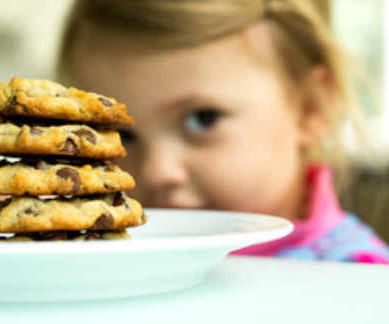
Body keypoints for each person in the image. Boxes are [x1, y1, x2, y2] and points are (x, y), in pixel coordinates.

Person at [55, 0, 389, 263]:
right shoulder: (93, 257)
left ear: (308, 110)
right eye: (120, 137)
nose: (158, 172)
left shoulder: (359, 282)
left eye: (202, 119)